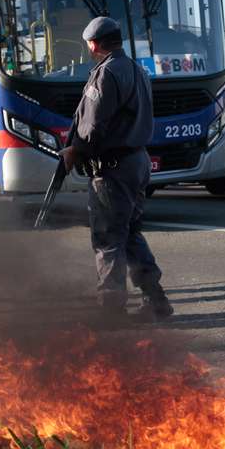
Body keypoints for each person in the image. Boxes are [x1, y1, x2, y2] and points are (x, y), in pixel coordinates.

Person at [60, 16, 173, 321]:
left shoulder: (106, 73)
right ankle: (156, 299)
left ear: (94, 44)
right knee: (130, 233)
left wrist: (76, 150)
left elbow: (94, 126)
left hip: (113, 169)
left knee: (108, 238)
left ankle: (111, 311)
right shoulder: (137, 69)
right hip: (136, 162)